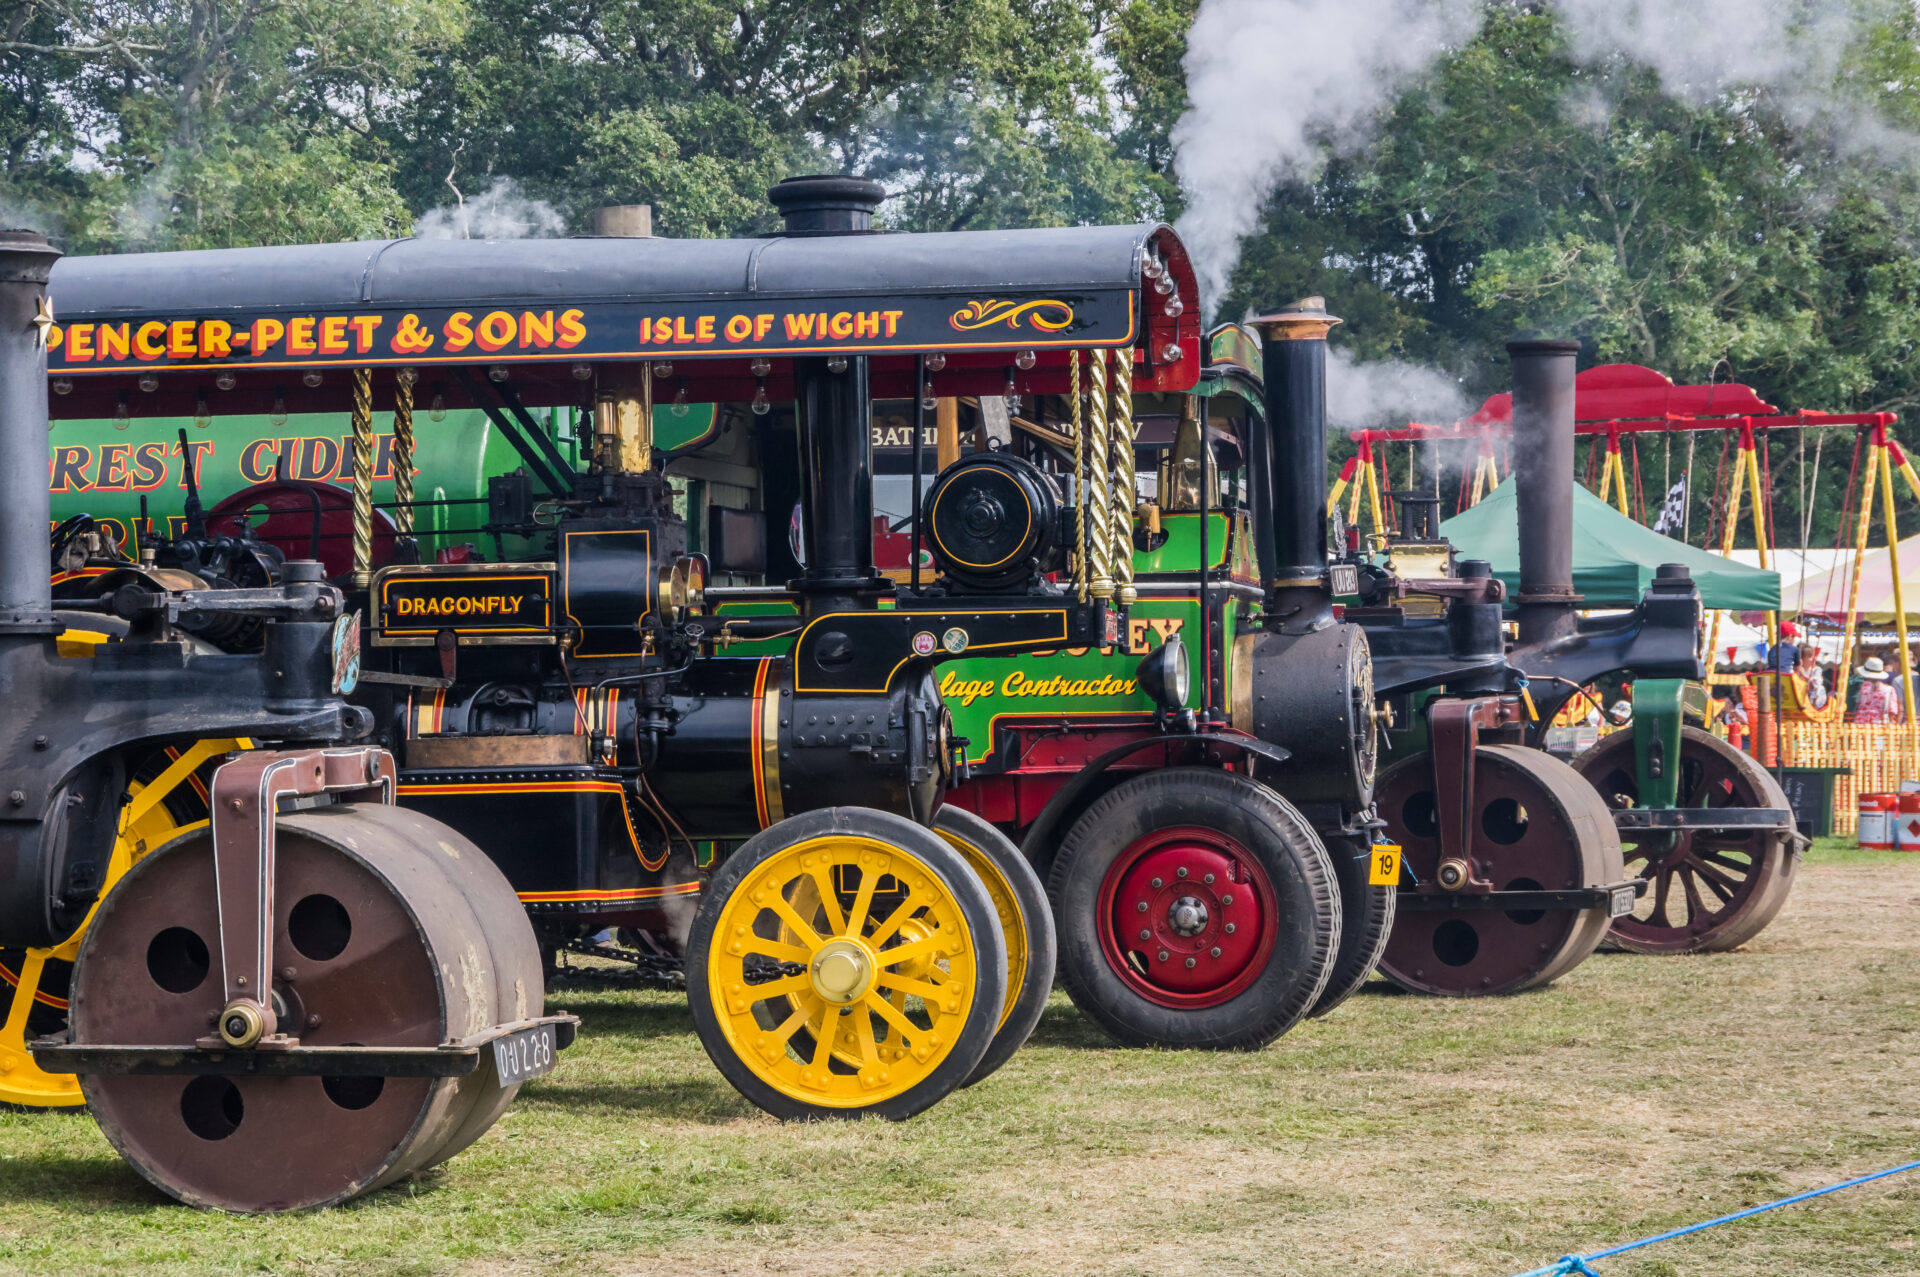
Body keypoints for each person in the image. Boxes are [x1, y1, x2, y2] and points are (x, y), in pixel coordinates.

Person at [1853, 656, 1903, 723]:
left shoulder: (1858, 688)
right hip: (1880, 727)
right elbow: (1892, 712)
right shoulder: (1889, 690)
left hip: (1859, 727)